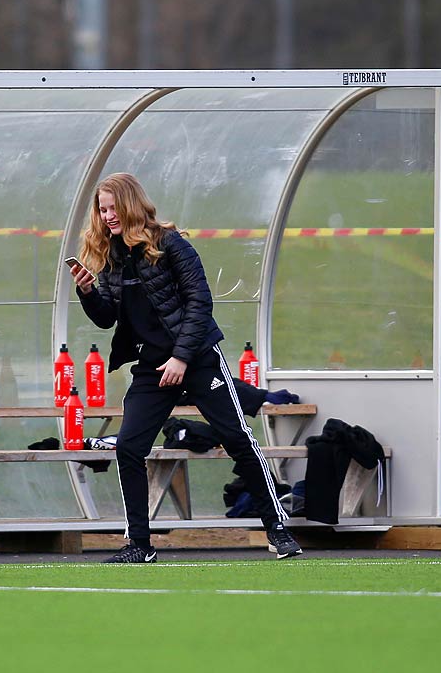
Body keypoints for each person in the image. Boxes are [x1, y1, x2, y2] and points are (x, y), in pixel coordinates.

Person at [68, 172, 301, 563]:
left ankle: (277, 530)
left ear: (130, 204)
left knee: (237, 438)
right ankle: (139, 545)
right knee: (128, 447)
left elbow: (199, 303)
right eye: (102, 209)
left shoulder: (171, 243)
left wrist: (181, 356)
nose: (107, 216)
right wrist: (87, 291)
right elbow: (107, 319)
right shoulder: (108, 255)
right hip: (150, 368)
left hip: (196, 358)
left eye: (112, 207)